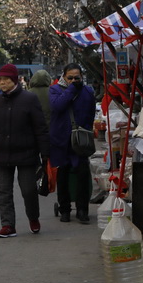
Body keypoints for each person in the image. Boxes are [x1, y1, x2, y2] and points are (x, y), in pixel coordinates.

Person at [0, 63, 49, 238]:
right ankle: (7, 225)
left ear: (14, 80)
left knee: (28, 190)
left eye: (6, 79)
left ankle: (33, 217)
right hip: (2, 153)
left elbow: (40, 127)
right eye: (0, 79)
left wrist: (45, 154)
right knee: (3, 191)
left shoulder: (29, 99)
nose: (3, 82)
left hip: (26, 153)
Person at [49, 63, 97, 224]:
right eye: (70, 78)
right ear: (64, 77)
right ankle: (65, 210)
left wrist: (87, 131)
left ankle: (82, 209)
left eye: (77, 78)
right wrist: (71, 89)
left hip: (80, 140)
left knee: (83, 173)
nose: (74, 81)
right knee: (63, 174)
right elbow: (57, 106)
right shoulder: (55, 89)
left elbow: (91, 113)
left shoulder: (88, 92)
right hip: (61, 140)